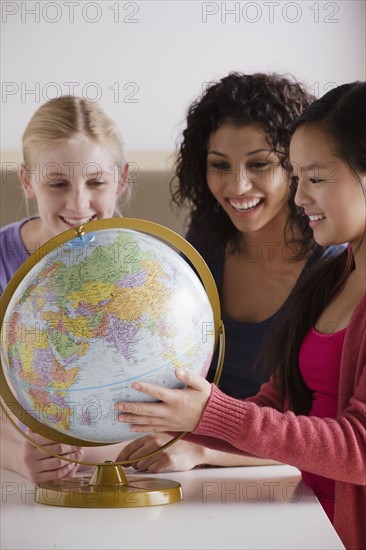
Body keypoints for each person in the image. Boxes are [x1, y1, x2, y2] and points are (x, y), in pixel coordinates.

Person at [116, 82, 366, 549]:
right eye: (299, 176)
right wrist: (190, 421)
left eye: (315, 177)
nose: (299, 197)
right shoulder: (332, 282)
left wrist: (212, 416)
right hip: (303, 522)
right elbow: (279, 405)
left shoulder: (325, 267)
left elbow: (359, 447)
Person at [0, 95, 130, 482]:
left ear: (120, 180)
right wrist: (18, 458)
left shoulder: (146, 271)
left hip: (120, 465)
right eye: (57, 183)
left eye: (96, 182)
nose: (78, 204)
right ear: (27, 181)